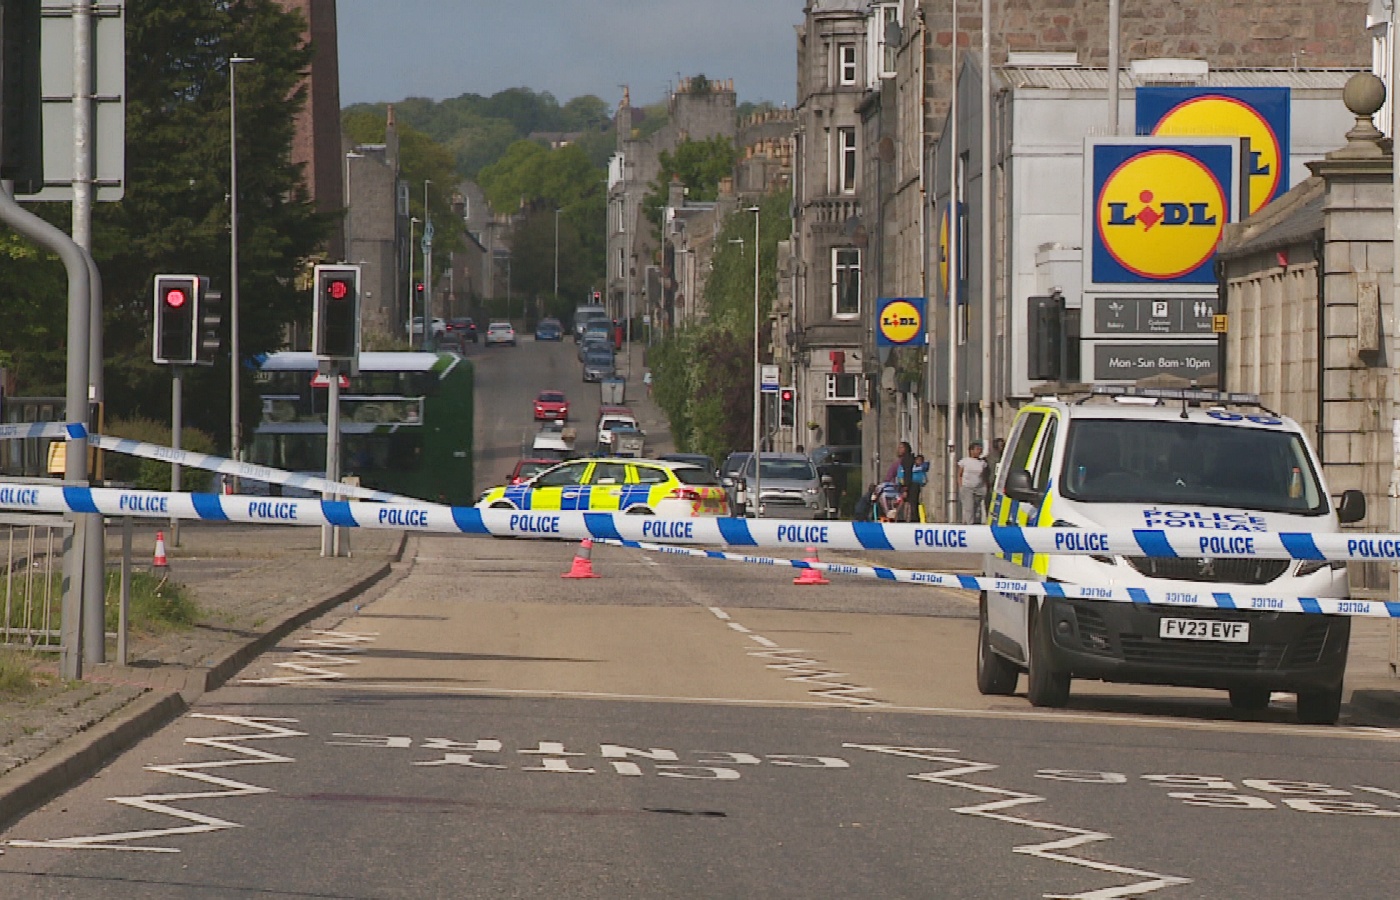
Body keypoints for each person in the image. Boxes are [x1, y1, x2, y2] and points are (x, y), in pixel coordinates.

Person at [957, 441, 988, 525]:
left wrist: (985, 486)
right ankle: (969, 524)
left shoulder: (982, 463)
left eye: (980, 450)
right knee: (969, 507)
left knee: (977, 507)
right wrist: (961, 485)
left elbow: (984, 476)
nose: (979, 451)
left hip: (979, 487)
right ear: (971, 450)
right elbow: (960, 474)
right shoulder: (964, 461)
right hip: (967, 487)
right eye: (977, 449)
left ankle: (976, 522)